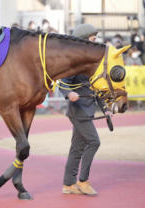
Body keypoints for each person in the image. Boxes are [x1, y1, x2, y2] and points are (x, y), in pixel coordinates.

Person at [60, 23, 113, 196]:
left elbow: (96, 89)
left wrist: (105, 108)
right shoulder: (74, 62)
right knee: (94, 141)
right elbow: (62, 82)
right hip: (78, 110)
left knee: (76, 149)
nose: (95, 40)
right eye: (93, 38)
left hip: (86, 111)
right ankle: (82, 181)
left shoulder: (90, 62)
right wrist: (69, 94)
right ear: (84, 39)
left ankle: (68, 184)